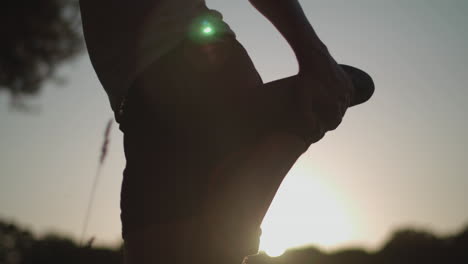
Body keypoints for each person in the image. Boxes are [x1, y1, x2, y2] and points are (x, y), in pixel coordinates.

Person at [79, 0, 374, 263]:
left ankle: (300, 120)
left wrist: (314, 55)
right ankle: (298, 123)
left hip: (191, 64)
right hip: (138, 109)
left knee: (210, 250)